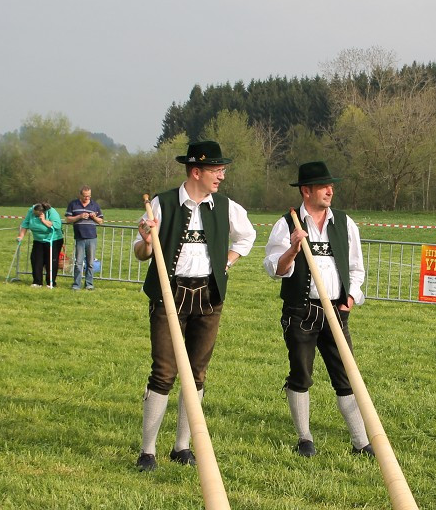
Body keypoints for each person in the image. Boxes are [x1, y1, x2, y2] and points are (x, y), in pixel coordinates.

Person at [132, 140, 256, 472]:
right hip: (168, 294)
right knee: (164, 372)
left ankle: (182, 446)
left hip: (209, 295)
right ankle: (147, 451)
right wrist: (146, 241)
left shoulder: (227, 206)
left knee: (197, 373)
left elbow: (247, 237)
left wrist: (227, 262)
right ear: (196, 171)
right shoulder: (163, 203)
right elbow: (141, 253)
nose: (222, 176)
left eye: (222, 170)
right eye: (217, 170)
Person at [263, 161, 372, 458]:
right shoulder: (287, 224)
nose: (330, 190)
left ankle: (361, 442)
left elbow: (356, 268)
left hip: (337, 310)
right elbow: (275, 269)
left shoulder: (345, 223)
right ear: (306, 190)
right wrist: (293, 250)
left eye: (331, 186)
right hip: (301, 311)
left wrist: (351, 296)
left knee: (346, 375)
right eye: (323, 186)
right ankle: (305, 438)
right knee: (301, 374)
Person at [65, 185, 104, 290]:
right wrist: (79, 216)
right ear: (80, 195)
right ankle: (76, 284)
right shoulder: (73, 204)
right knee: (78, 263)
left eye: (89, 196)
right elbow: (68, 219)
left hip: (92, 237)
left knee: (90, 263)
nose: (87, 198)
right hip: (79, 238)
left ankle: (89, 284)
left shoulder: (94, 205)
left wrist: (94, 217)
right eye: (85, 196)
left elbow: (101, 221)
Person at [16, 202, 63, 287]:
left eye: (36, 214)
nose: (34, 215)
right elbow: (25, 223)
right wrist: (21, 236)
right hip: (38, 240)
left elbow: (57, 225)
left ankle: (51, 282)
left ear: (42, 212)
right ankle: (37, 282)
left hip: (53, 240)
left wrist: (44, 221)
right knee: (36, 260)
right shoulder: (31, 210)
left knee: (51, 261)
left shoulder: (52, 212)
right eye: (34, 213)